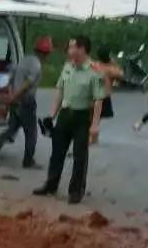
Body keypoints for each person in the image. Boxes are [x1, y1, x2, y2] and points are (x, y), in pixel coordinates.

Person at [33, 35, 105, 204]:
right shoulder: (67, 67)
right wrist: (52, 115)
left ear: (82, 49)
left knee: (80, 156)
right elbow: (60, 91)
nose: (69, 50)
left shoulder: (95, 71)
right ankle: (50, 185)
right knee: (57, 153)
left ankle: (76, 191)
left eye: (72, 47)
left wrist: (94, 125)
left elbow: (98, 100)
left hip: (81, 117)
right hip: (65, 114)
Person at [0, 35, 52, 168]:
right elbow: (27, 83)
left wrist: (11, 95)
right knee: (31, 133)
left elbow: (11, 78)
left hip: (16, 100)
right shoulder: (36, 65)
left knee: (11, 129)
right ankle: (28, 161)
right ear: (46, 53)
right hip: (26, 101)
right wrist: (14, 96)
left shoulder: (24, 60)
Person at [92, 46, 123, 120]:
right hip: (103, 97)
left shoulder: (94, 65)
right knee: (96, 121)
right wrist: (115, 64)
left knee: (92, 119)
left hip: (92, 95)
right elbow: (121, 75)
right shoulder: (110, 69)